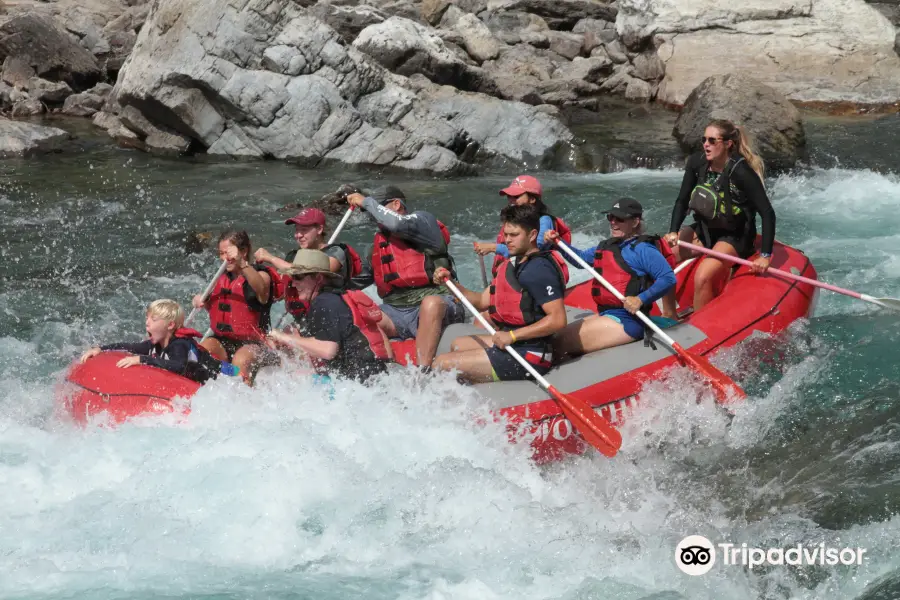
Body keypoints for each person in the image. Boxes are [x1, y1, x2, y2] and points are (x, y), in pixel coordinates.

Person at [432, 204, 569, 383]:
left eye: (514, 235)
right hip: (514, 344)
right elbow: (481, 301)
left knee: (442, 364)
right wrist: (450, 283)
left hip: (530, 355)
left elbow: (558, 319)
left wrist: (512, 336)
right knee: (457, 344)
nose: (507, 240)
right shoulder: (512, 264)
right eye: (505, 235)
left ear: (532, 235)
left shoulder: (538, 270)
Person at [345, 184, 466, 368]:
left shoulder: (423, 221)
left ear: (396, 204)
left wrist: (365, 201)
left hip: (439, 303)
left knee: (430, 304)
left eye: (378, 209)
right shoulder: (378, 246)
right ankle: (385, 369)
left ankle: (423, 373)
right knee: (362, 315)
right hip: (397, 312)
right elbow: (355, 282)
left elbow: (397, 223)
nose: (374, 217)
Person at [663, 119, 777, 311]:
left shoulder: (741, 172)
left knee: (703, 275)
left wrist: (765, 256)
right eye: (704, 139)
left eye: (712, 140)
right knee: (661, 258)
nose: (706, 144)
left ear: (727, 144)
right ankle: (669, 315)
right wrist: (673, 230)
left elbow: (767, 213)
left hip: (735, 235)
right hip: (704, 229)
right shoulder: (697, 163)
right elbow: (682, 200)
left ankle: (698, 327)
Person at [548, 198, 677, 357]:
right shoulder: (607, 245)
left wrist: (640, 299)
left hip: (630, 320)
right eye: (611, 217)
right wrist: (558, 243)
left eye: (620, 219)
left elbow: (668, 278)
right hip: (607, 314)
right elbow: (580, 260)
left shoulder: (643, 249)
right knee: (554, 338)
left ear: (635, 222)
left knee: (559, 343)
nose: (613, 222)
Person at [266, 250, 390, 382]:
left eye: (299, 277)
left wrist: (283, 337)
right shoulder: (336, 297)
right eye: (293, 278)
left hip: (358, 385)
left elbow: (328, 350)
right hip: (370, 379)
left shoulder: (324, 302)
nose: (294, 283)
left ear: (319, 278)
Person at [191, 230, 279, 383]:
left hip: (255, 345)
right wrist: (200, 300)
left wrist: (242, 263)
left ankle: (243, 401)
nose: (224, 258)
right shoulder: (221, 277)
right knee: (200, 352)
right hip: (223, 340)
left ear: (243, 251)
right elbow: (216, 308)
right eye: (221, 253)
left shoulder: (262, 276)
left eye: (228, 253)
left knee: (240, 361)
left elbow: (262, 292)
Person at [79, 299, 239, 383]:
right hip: (214, 373)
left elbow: (179, 365)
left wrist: (142, 360)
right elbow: (131, 347)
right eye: (147, 318)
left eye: (154, 319)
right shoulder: (155, 344)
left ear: (170, 325)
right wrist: (101, 348)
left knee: (243, 377)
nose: (147, 323)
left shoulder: (180, 345)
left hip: (225, 374)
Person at [254, 207, 363, 323]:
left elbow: (311, 270)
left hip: (332, 318)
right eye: (296, 230)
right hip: (304, 321)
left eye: (304, 230)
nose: (298, 235)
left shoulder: (335, 253)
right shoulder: (295, 256)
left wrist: (270, 258)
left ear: (320, 229)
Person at [473, 175, 572, 276]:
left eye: (516, 197)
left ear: (532, 199)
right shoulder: (514, 222)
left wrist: (493, 248)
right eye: (509, 196)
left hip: (536, 275)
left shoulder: (544, 221)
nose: (511, 200)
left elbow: (534, 249)